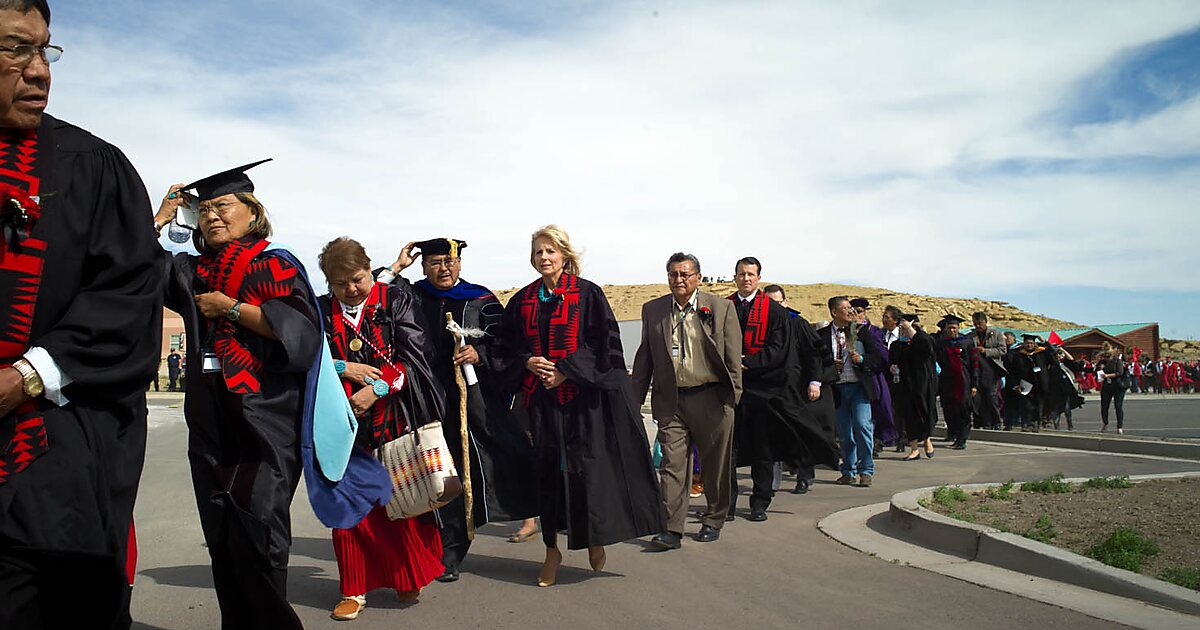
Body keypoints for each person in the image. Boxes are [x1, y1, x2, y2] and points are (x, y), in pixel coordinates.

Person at [0, 3, 162, 626]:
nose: (39, 71)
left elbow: (128, 301)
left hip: (47, 458)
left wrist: (26, 377)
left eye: (46, 51)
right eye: (17, 49)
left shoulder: (91, 167)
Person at [152, 161, 333, 628]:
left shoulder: (274, 262)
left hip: (264, 420)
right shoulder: (193, 271)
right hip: (211, 418)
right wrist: (161, 219)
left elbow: (300, 334)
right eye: (204, 209)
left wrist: (232, 308)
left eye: (223, 206)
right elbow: (139, 274)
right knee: (223, 536)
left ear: (252, 213)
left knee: (259, 533)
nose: (212, 215)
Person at [495, 225, 663, 587]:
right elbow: (504, 349)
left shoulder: (588, 295)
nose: (544, 258)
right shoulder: (523, 300)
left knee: (589, 475)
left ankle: (594, 538)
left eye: (550, 251)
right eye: (538, 252)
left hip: (585, 405)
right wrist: (527, 362)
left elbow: (604, 346)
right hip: (541, 406)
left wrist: (566, 372)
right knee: (548, 478)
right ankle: (552, 550)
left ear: (565, 255)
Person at [375, 237, 537, 581]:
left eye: (449, 261)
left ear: (460, 264)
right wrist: (397, 266)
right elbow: (372, 294)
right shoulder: (411, 295)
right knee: (429, 472)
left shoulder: (481, 299)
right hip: (422, 399)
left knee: (473, 468)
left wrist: (479, 352)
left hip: (470, 401)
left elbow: (506, 344)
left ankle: (453, 550)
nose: (443, 268)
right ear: (423, 266)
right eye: (434, 262)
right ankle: (432, 546)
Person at [314, 237, 446, 620]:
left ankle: (406, 574)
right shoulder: (319, 311)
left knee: (399, 503)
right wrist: (344, 368)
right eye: (340, 284)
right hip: (340, 427)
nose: (351, 289)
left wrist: (377, 389)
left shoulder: (395, 302)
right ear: (329, 284)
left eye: (357, 279)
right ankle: (353, 590)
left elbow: (415, 357)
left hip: (393, 420)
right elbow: (308, 357)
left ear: (369, 270)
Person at [632, 252, 741, 549]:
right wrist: (633, 401)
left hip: (711, 397)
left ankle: (713, 518)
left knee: (713, 465)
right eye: (673, 274)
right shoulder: (653, 310)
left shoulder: (720, 308)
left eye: (684, 274)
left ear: (698, 278)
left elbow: (733, 356)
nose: (678, 280)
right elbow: (645, 359)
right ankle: (671, 529)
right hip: (672, 400)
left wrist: (732, 398)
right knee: (671, 465)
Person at [726, 259, 834, 518]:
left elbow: (778, 349)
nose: (746, 278)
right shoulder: (723, 307)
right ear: (735, 277)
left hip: (763, 389)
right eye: (741, 274)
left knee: (763, 448)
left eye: (751, 274)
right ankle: (726, 504)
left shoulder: (773, 312)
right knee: (729, 449)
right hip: (729, 388)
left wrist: (748, 363)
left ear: (759, 277)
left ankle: (760, 501)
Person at [764, 284, 836, 495]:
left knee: (803, 432)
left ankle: (805, 475)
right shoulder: (763, 326)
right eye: (769, 304)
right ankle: (773, 476)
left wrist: (815, 381)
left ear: (785, 302)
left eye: (777, 303)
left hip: (800, 387)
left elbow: (814, 353)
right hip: (775, 388)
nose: (773, 308)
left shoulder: (798, 324)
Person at [814, 297, 885, 487]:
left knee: (862, 426)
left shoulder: (862, 333)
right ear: (834, 312)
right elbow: (816, 361)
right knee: (844, 433)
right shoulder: (821, 335)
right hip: (836, 388)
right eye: (844, 308)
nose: (849, 311)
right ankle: (848, 470)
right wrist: (830, 365)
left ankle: (866, 470)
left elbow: (877, 357)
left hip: (858, 387)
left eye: (850, 308)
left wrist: (861, 359)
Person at [889, 315, 938, 460]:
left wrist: (911, 330)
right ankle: (914, 448)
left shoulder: (923, 340)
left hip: (924, 385)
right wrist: (892, 367)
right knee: (909, 416)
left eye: (905, 328)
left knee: (926, 412)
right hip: (906, 385)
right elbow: (892, 360)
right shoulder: (897, 345)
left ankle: (927, 439)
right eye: (901, 329)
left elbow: (927, 348)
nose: (902, 331)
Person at [933, 315, 974, 449]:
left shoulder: (967, 342)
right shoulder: (941, 344)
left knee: (963, 410)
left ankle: (963, 438)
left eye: (954, 328)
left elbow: (974, 364)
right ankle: (955, 435)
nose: (952, 330)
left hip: (964, 380)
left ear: (958, 328)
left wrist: (974, 384)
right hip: (947, 381)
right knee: (950, 410)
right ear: (945, 329)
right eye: (949, 328)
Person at [964, 312, 1007, 431]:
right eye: (975, 323)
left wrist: (985, 351)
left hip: (991, 370)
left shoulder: (996, 334)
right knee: (977, 398)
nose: (977, 325)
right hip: (976, 370)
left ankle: (997, 421)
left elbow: (1002, 350)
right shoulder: (970, 335)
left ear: (985, 322)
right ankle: (981, 422)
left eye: (980, 323)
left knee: (991, 397)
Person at [1096, 348, 1128, 434]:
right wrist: (1100, 368)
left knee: (1118, 406)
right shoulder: (1102, 362)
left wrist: (1108, 375)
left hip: (1118, 386)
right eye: (1104, 356)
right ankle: (1105, 423)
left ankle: (1119, 426)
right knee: (1104, 406)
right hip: (1107, 386)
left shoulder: (1118, 361)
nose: (1106, 358)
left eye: (1108, 356)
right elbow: (1096, 371)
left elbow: (1119, 373)